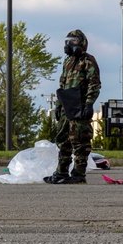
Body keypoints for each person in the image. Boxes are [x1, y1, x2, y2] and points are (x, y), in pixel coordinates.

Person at [45, 30, 101, 184]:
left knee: (80, 142)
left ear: (81, 42)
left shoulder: (88, 61)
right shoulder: (68, 61)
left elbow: (94, 84)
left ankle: (78, 175)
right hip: (66, 107)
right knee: (63, 141)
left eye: (73, 41)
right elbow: (62, 85)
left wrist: (89, 104)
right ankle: (61, 173)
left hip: (80, 106)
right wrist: (58, 105)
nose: (69, 44)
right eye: (67, 41)